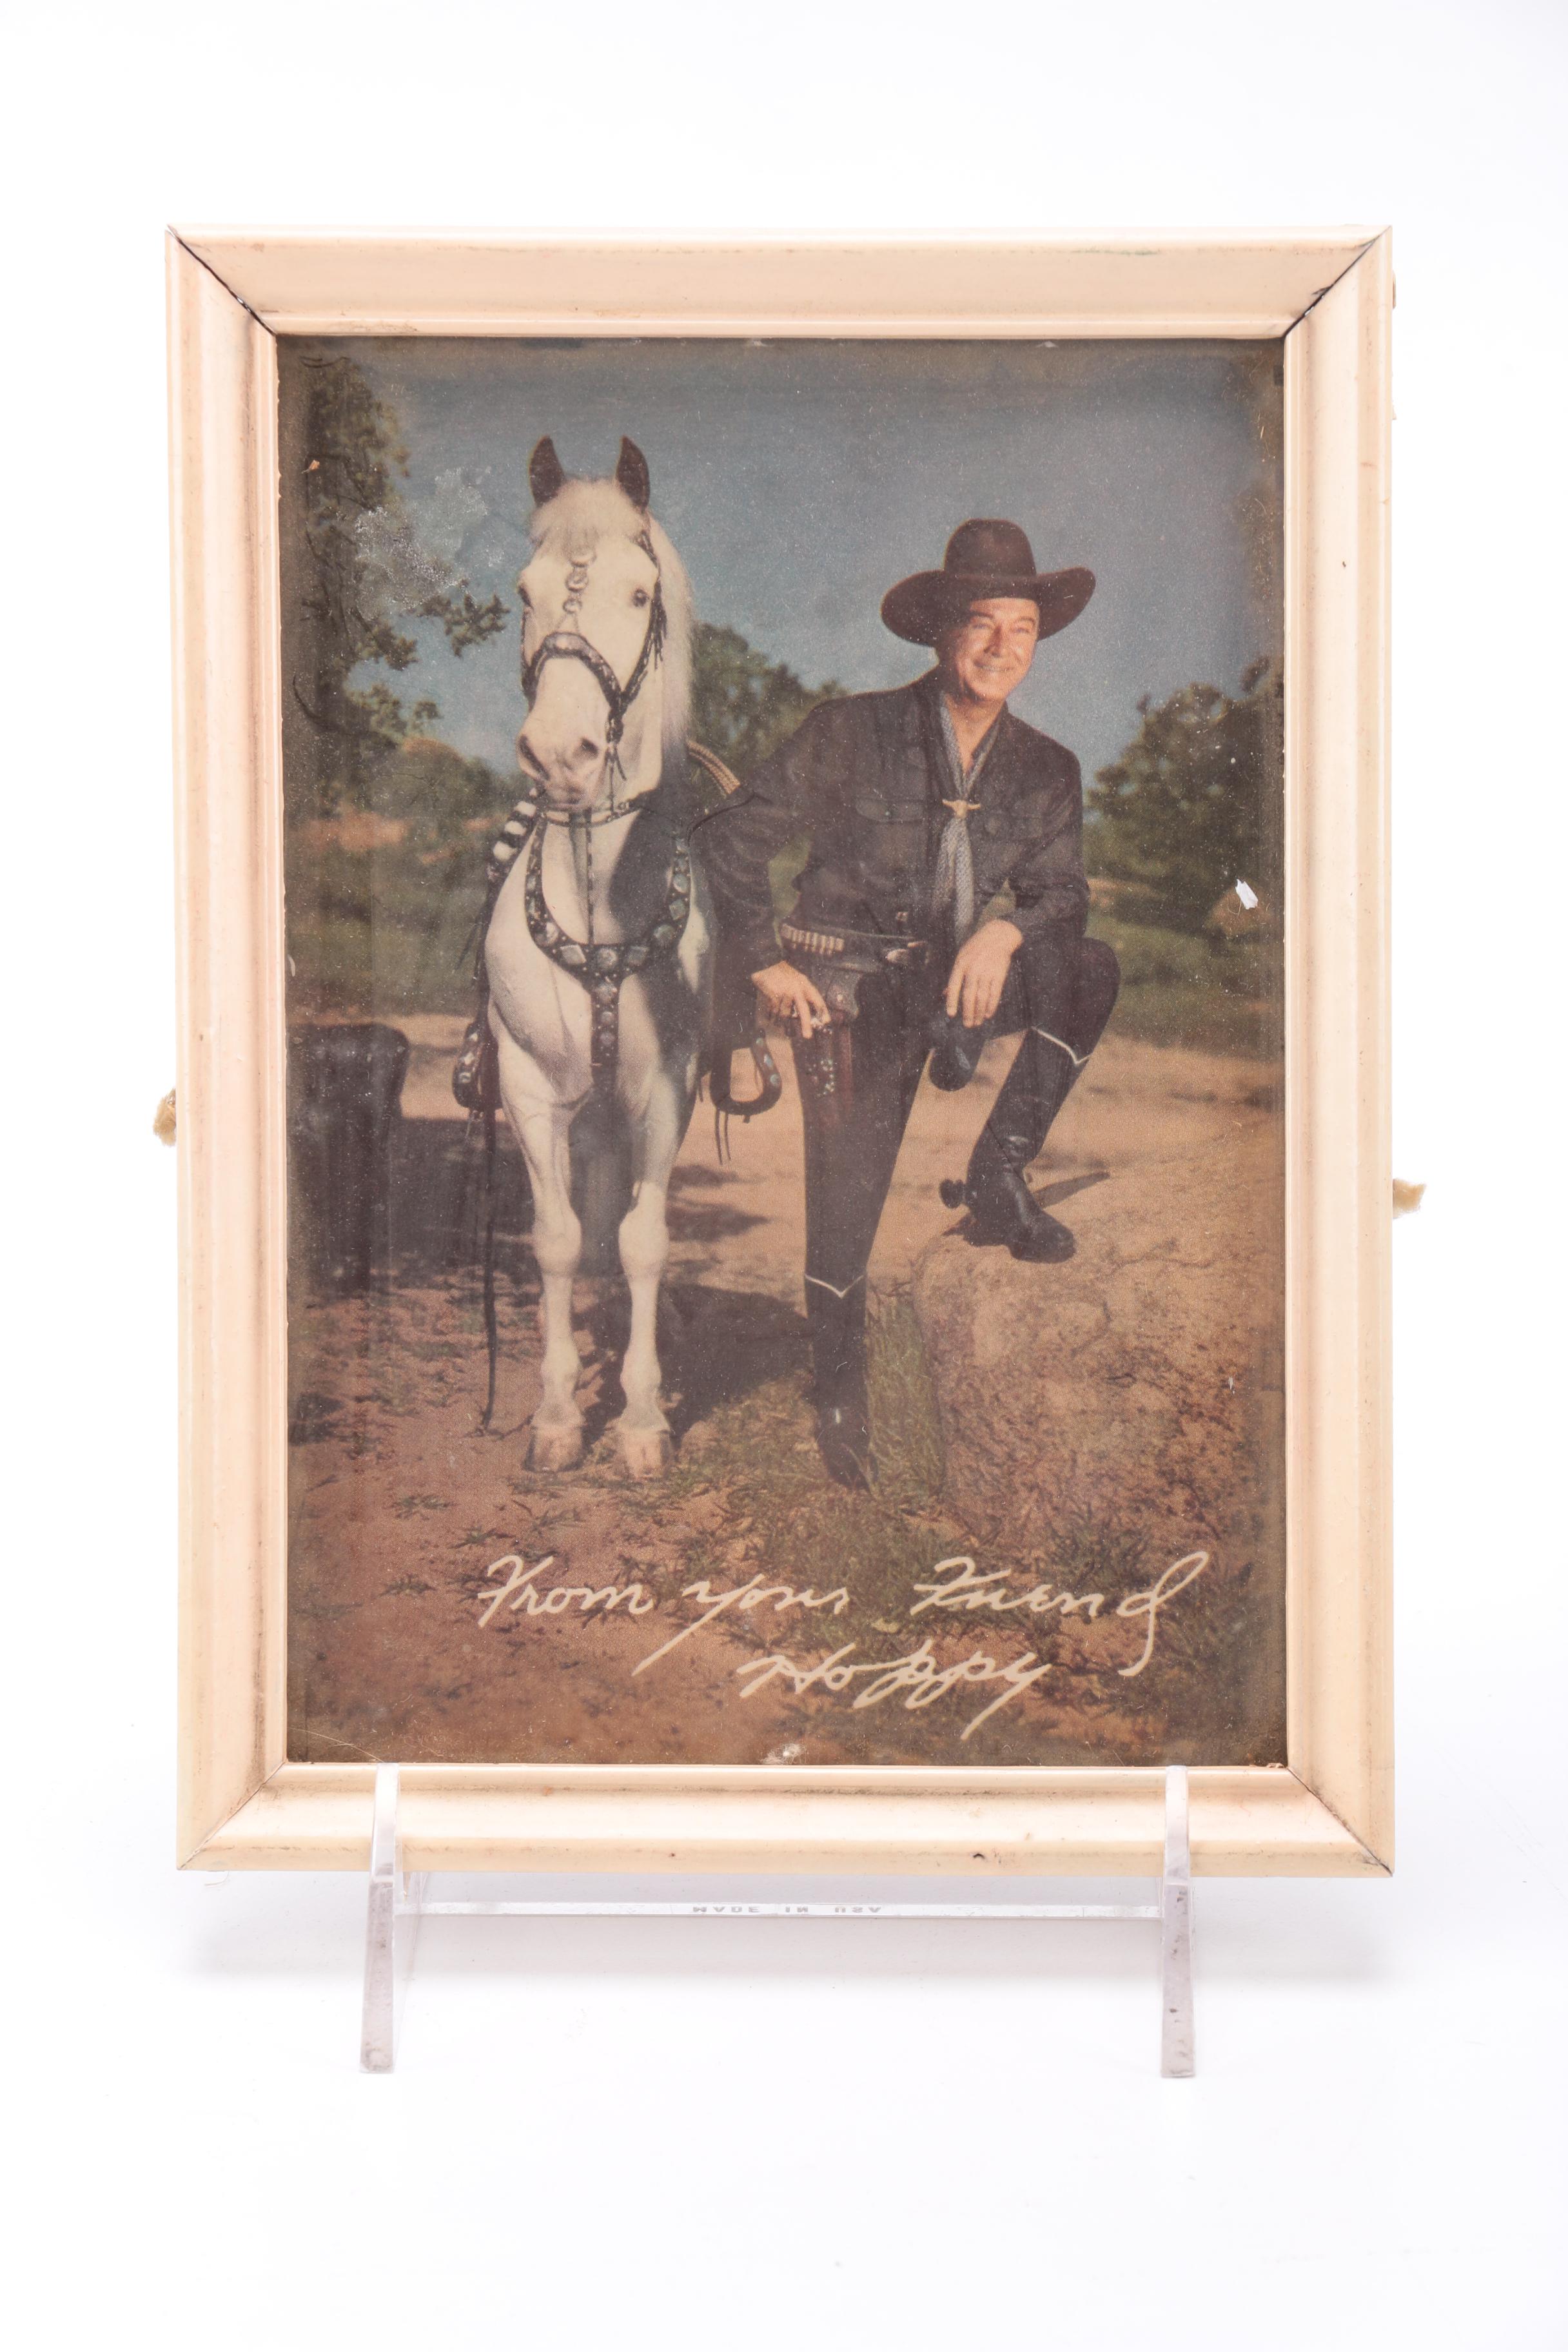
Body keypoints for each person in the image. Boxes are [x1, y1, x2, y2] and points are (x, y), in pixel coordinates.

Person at [700, 518, 1120, 1489]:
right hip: (851, 989)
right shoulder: (849, 732)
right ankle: (841, 1395)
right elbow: (728, 842)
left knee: (1088, 967)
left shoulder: (1049, 768)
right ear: (940, 633)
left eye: (1022, 627)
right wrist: (764, 963)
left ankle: (997, 1177)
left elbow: (1063, 895)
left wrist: (1004, 932)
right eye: (980, 623)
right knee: (845, 1202)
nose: (1002, 646)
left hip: (960, 985)